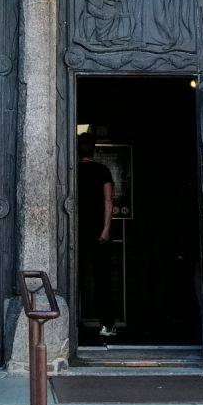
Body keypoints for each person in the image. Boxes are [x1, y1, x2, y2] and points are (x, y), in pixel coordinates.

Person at [76, 133, 120, 339]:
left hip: (75, 230)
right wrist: (106, 229)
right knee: (102, 276)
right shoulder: (103, 171)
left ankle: (72, 321)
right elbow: (108, 201)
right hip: (97, 229)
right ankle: (107, 323)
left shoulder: (71, 170)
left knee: (74, 276)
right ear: (93, 149)